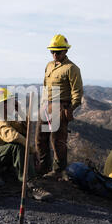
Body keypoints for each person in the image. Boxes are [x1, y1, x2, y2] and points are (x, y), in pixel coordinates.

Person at [0, 88, 53, 201]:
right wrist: (33, 151)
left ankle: (24, 176)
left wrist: (21, 112)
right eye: (11, 102)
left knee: (21, 143)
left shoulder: (5, 116)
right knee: (17, 148)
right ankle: (31, 187)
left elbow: (24, 130)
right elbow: (13, 136)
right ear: (3, 105)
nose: (14, 105)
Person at [35, 34, 83, 181]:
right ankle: (43, 168)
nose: (55, 54)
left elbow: (77, 92)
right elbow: (45, 86)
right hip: (46, 105)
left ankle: (58, 170)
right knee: (40, 138)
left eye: (58, 52)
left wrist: (69, 109)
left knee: (57, 141)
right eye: (52, 52)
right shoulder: (49, 65)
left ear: (65, 51)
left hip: (61, 106)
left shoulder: (72, 68)